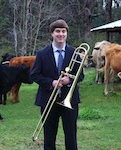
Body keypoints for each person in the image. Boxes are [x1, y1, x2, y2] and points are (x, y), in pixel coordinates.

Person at [31, 19, 84, 150]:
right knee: (49, 136)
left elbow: (81, 75)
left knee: (71, 135)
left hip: (70, 100)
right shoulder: (42, 53)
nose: (61, 34)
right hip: (48, 100)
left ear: (66, 33)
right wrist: (52, 82)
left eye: (63, 31)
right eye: (57, 31)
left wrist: (69, 80)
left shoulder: (74, 52)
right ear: (52, 34)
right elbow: (34, 75)